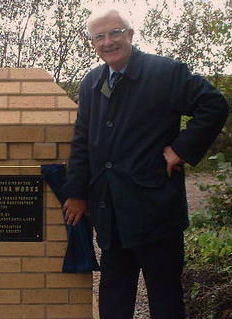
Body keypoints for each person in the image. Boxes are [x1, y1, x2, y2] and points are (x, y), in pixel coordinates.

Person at [62, 8, 228, 319]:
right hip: (109, 211)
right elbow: (83, 141)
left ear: (130, 34)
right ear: (93, 43)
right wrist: (77, 192)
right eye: (100, 36)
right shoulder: (92, 83)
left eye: (115, 32)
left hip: (156, 209)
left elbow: (214, 104)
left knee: (165, 300)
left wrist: (181, 149)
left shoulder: (165, 73)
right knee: (113, 297)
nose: (108, 41)